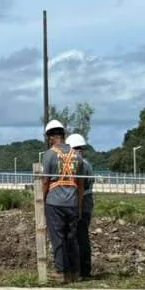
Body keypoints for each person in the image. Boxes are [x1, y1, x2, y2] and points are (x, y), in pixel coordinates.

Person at [39, 119, 86, 278]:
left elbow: (45, 181)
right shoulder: (77, 157)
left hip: (54, 202)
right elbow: (80, 185)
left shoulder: (49, 155)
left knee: (57, 237)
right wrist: (79, 206)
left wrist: (42, 200)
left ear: (50, 137)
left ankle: (61, 271)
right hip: (72, 202)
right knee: (71, 237)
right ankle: (75, 271)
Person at [67, 132, 94, 279]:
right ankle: (83, 269)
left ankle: (81, 270)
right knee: (82, 236)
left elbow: (79, 186)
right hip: (87, 201)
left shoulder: (81, 165)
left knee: (79, 237)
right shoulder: (87, 163)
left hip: (82, 202)